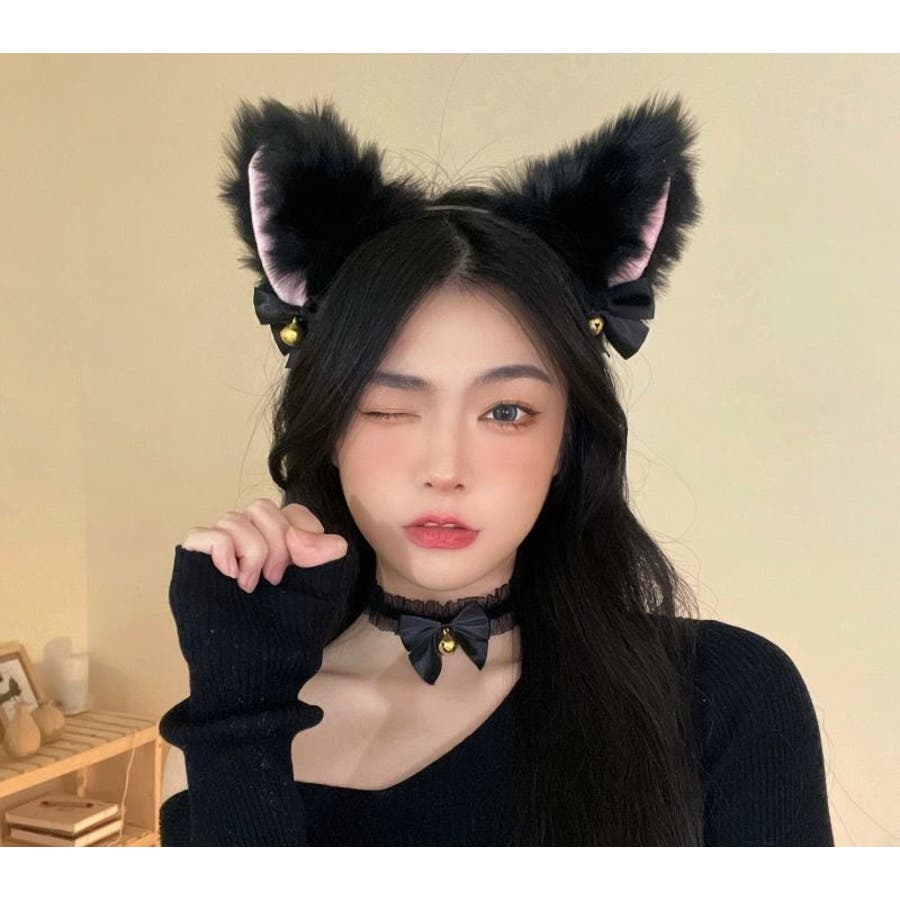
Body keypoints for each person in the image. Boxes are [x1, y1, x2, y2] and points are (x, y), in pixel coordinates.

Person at [156, 93, 834, 846]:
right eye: (388, 407)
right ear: (332, 431)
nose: (446, 469)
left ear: (567, 441)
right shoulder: (228, 726)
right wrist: (241, 704)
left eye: (507, 411)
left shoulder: (725, 695)